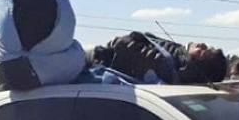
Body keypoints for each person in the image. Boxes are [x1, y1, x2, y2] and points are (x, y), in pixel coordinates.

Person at [86, 32, 227, 84]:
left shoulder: (164, 65)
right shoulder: (176, 56)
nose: (202, 45)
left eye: (203, 52)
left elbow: (120, 46)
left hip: (95, 61)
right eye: (206, 46)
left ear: (197, 67)